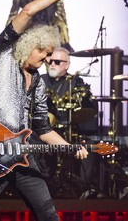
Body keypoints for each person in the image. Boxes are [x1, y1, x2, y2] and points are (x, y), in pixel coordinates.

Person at [0, 0, 86, 221]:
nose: (46, 62)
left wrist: (71, 148)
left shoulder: (39, 84)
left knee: (49, 216)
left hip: (22, 156)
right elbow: (29, 10)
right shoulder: (2, 56)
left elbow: (43, 129)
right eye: (43, 55)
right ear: (31, 45)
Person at [41, 47, 100, 198]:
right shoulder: (39, 81)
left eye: (57, 62)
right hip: (44, 133)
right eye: (50, 61)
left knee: (89, 145)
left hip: (70, 130)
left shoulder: (76, 83)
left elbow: (89, 109)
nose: (52, 64)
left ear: (67, 65)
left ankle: (83, 189)